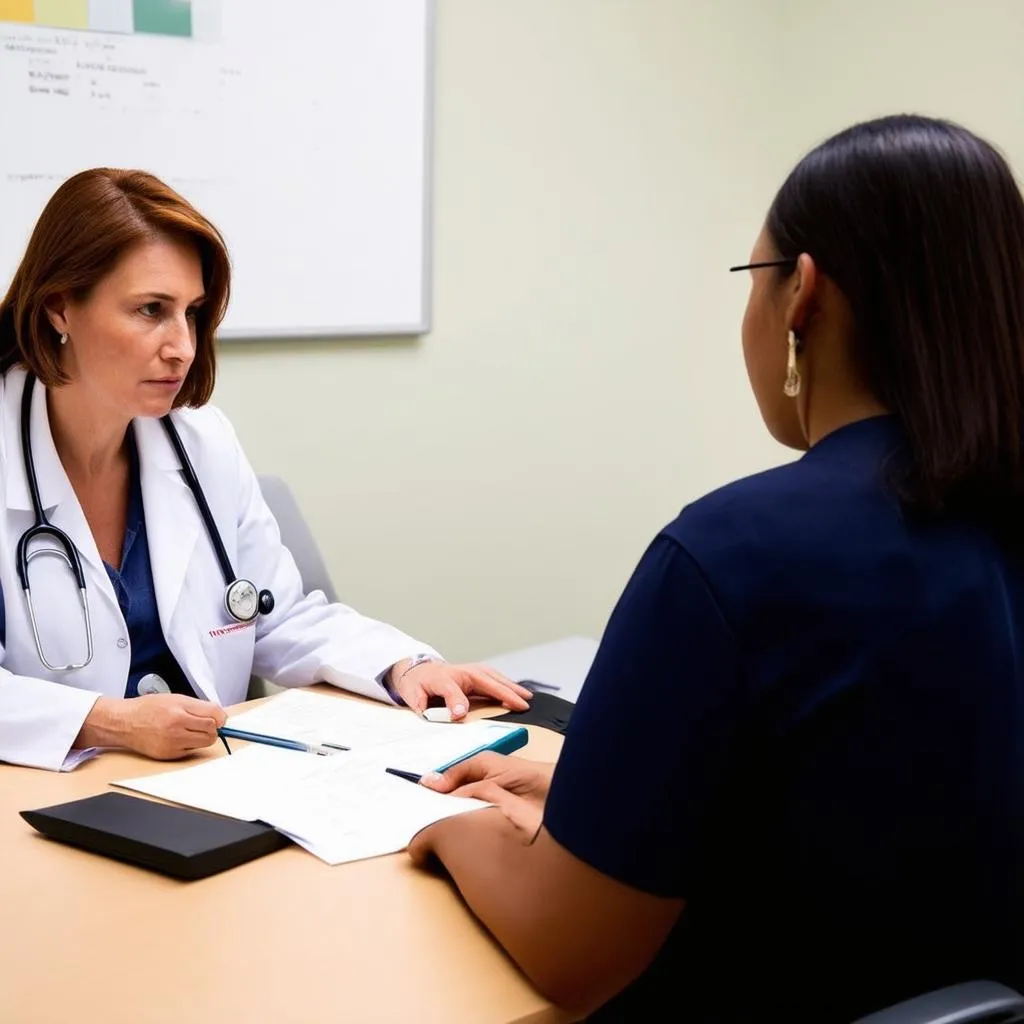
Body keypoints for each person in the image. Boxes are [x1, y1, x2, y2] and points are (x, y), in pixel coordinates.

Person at [407, 114, 1024, 1022]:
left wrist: (453, 837)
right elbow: (889, 792)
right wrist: (602, 802)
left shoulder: (733, 551)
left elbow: (570, 950)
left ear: (802, 295)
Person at [0, 168, 531, 773]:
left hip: (205, 786)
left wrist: (406, 666)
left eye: (192, 313)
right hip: (41, 804)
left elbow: (280, 616)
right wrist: (106, 720)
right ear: (59, 307)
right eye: (151, 310)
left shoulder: (200, 442)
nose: (183, 346)